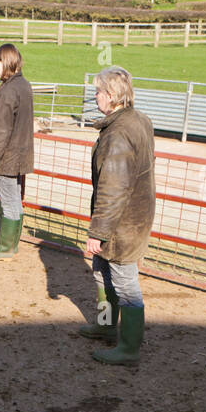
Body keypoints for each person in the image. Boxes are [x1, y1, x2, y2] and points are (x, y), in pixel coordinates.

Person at [80, 66, 155, 365]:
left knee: (124, 283)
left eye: (98, 91)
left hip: (123, 223)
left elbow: (113, 187)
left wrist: (97, 232)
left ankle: (129, 347)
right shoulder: (137, 120)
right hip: (131, 216)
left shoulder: (118, 134)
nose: (95, 96)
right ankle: (107, 325)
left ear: (110, 96)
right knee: (101, 271)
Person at [0, 43, 34, 261]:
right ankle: (11, 246)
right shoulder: (24, 85)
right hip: (21, 154)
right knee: (15, 201)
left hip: (7, 158)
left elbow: (1, 131)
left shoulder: (8, 91)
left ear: (7, 62)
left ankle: (5, 248)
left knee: (9, 203)